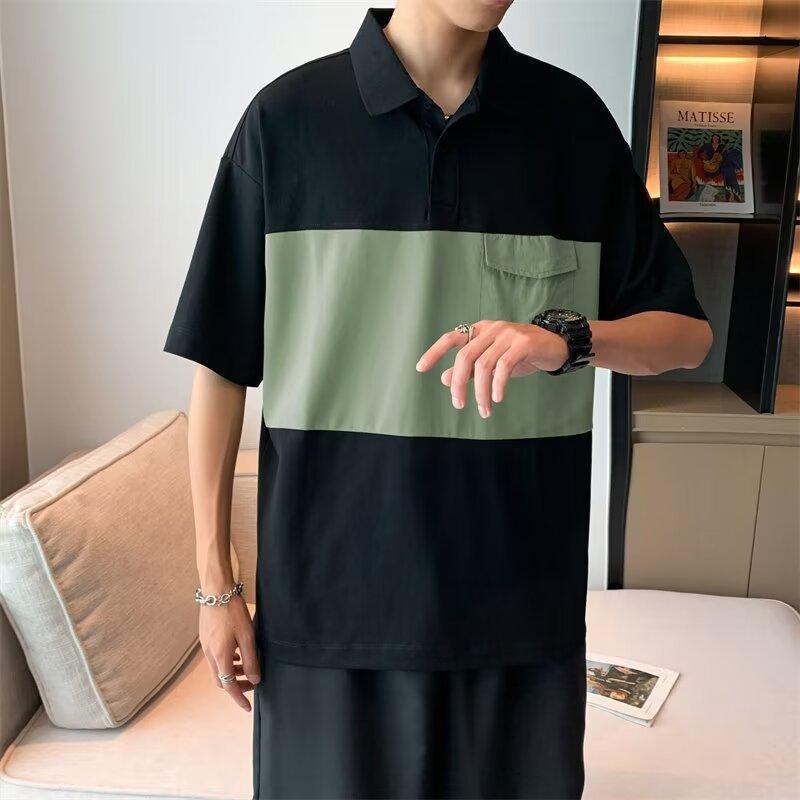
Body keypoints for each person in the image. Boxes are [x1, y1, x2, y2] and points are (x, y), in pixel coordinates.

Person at [163, 2, 713, 798]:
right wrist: (216, 587)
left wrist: (569, 339)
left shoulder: (571, 124)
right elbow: (220, 364)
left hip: (521, 625)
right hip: (327, 621)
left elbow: (687, 336)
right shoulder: (285, 123)